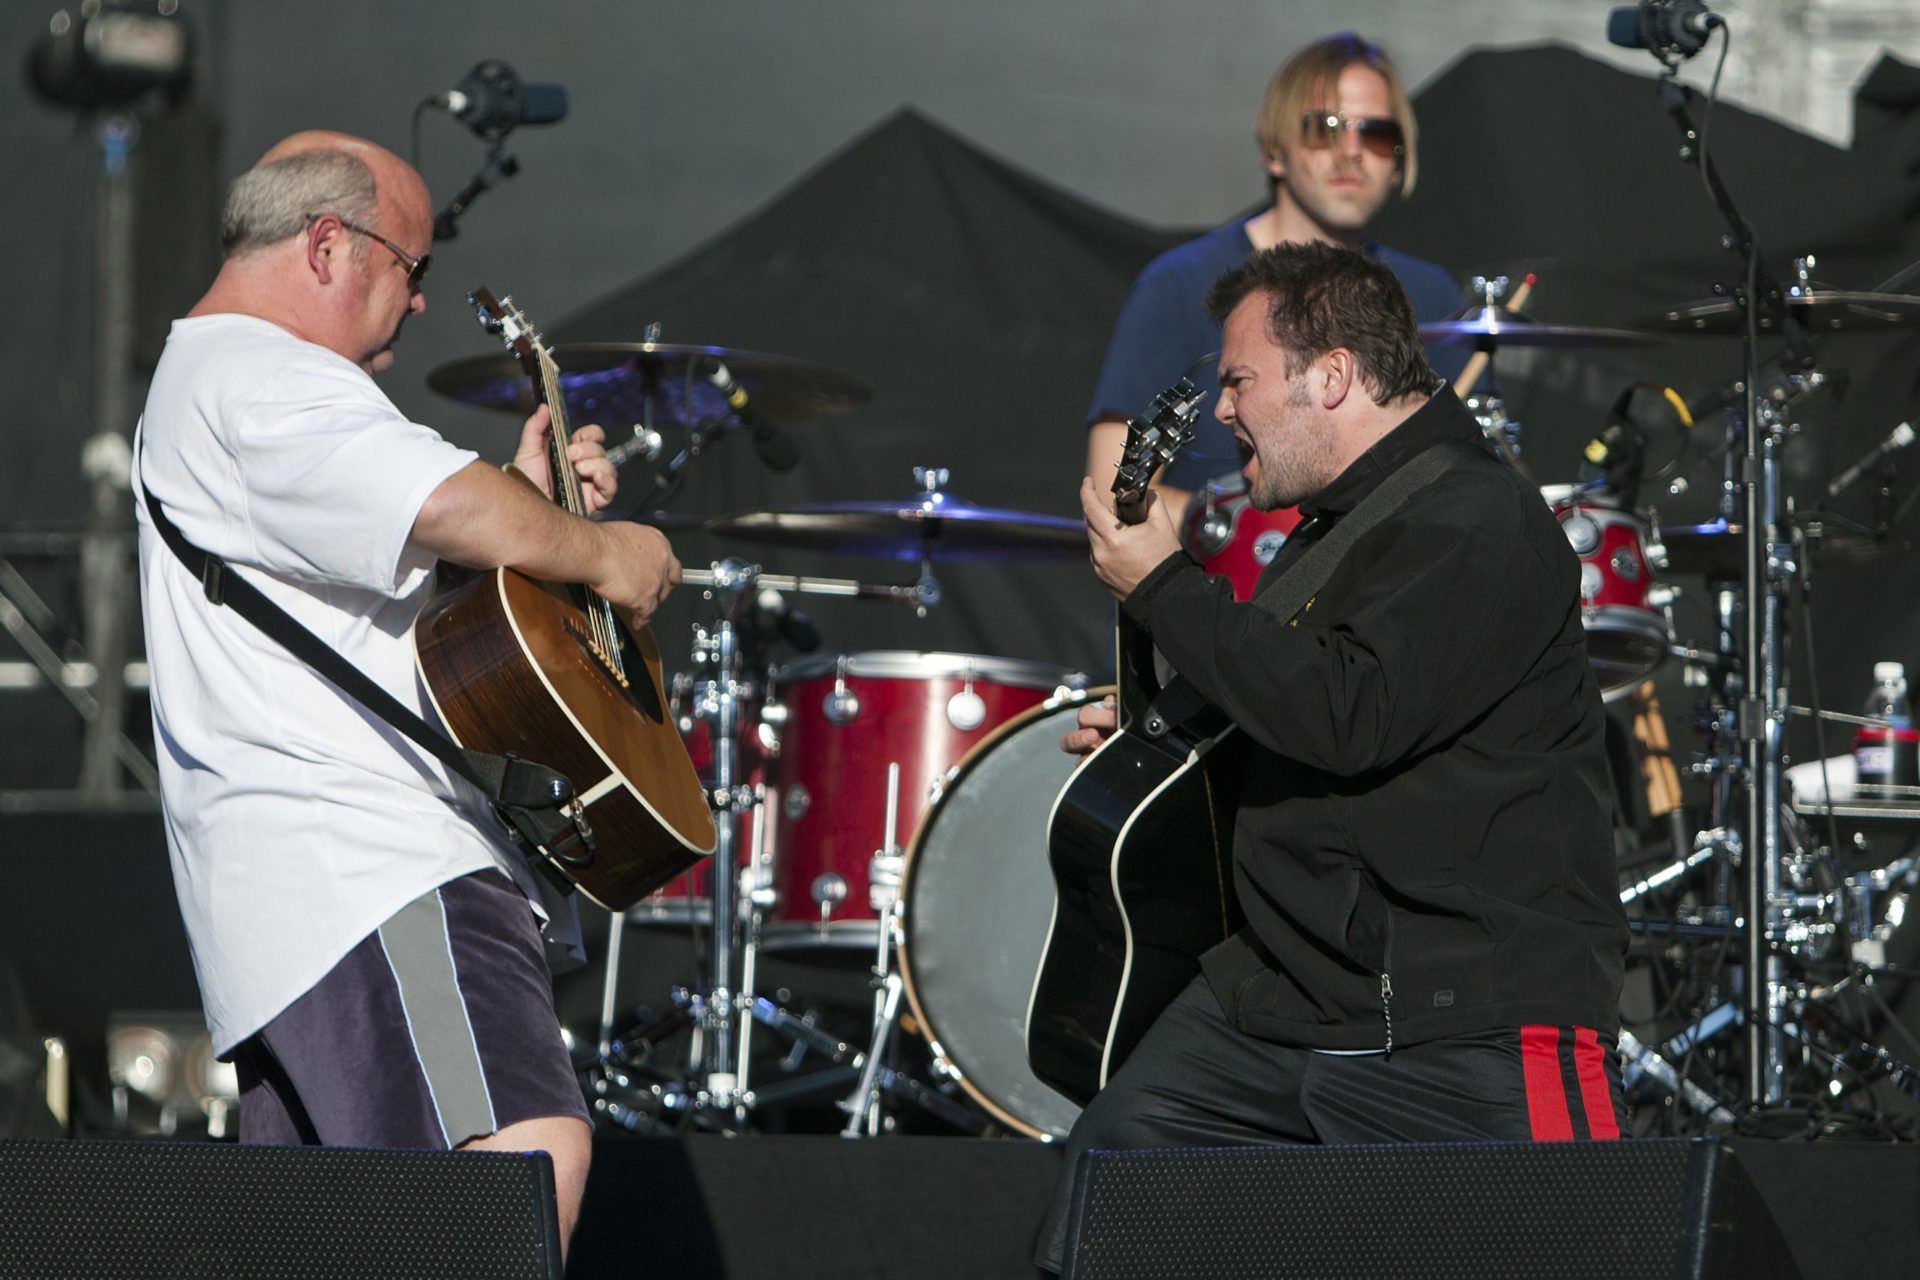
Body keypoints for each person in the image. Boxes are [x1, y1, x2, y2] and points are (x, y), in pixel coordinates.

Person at [132, 131, 678, 1252]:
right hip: (376, 873)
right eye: (411, 268)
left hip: (299, 911)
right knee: (523, 1154)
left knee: (369, 1237)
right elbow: (437, 502)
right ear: (329, 245)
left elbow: (389, 556)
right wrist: (598, 548)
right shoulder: (264, 372)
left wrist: (525, 505)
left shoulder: (217, 384)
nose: (419, 301)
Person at [1039, 243, 1628, 1272]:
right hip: (1276, 1003)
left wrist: (1167, 587)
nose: (1223, 411)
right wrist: (1173, 727)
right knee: (1106, 1208)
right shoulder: (1334, 528)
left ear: (1333, 375)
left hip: (1463, 1019)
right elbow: (1300, 702)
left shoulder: (1475, 520)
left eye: (1238, 380)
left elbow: (1349, 711)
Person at [1084, 32, 1465, 513]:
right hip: (1228, 582)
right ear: (1274, 150)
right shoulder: (1179, 286)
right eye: (1324, 127)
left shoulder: (1430, 296)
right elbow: (1113, 490)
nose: (1350, 150)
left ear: (1397, 161)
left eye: (1375, 133)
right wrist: (1254, 538)